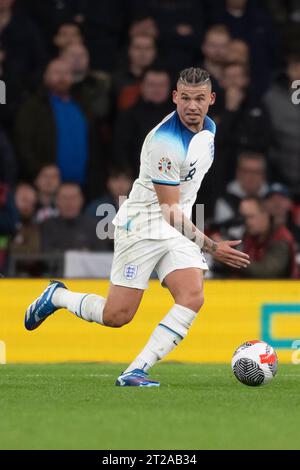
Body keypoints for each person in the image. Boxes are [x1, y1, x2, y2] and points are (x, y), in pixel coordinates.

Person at [24, 67, 250, 387]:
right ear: (175, 97)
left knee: (192, 296)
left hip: (178, 224)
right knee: (117, 317)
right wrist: (213, 247)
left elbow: (185, 195)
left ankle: (136, 370)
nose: (192, 106)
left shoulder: (209, 129)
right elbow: (168, 210)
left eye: (199, 98)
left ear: (211, 99)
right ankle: (57, 296)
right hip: (143, 226)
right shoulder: (165, 143)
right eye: (185, 98)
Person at [239, 197, 298, 278]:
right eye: (244, 217)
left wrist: (235, 259)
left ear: (265, 214)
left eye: (251, 217)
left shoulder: (280, 236)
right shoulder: (250, 235)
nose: (247, 222)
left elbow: (268, 273)